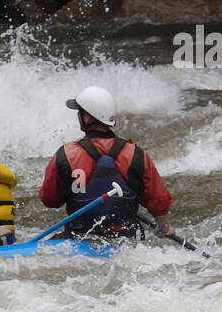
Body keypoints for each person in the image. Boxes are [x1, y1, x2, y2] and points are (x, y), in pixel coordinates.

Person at [38, 85, 173, 238]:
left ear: (87, 117)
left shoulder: (66, 155)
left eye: (80, 112)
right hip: (126, 240)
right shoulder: (135, 154)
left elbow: (49, 200)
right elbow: (159, 200)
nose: (78, 115)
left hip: (80, 238)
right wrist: (164, 226)